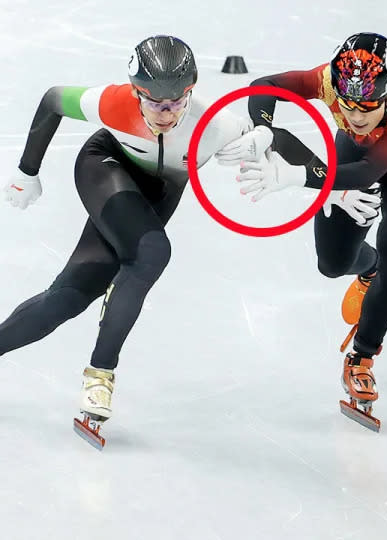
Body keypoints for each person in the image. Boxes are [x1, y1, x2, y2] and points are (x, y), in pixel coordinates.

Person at [0, 35, 254, 449]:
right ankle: (100, 375)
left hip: (155, 197)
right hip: (104, 167)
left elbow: (278, 140)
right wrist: (27, 171)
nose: (166, 112)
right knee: (154, 252)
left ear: (191, 91)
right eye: (153, 101)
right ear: (136, 91)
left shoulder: (215, 126)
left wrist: (272, 148)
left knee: (66, 299)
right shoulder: (114, 103)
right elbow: (51, 99)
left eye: (176, 102)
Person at [224, 32, 387, 431]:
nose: (356, 116)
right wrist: (262, 128)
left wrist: (297, 175)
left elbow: (368, 172)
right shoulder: (328, 80)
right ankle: (368, 267)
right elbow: (264, 86)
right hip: (356, 154)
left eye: (367, 106)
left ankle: (361, 357)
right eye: (347, 105)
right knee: (331, 263)